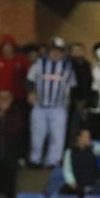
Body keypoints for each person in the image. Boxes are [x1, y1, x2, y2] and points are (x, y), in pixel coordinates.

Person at [27, 41, 75, 169]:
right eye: (54, 49)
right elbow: (30, 79)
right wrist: (31, 92)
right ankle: (35, 160)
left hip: (58, 108)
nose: (56, 52)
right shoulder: (39, 63)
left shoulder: (67, 66)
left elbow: (73, 85)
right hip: (40, 106)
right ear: (49, 50)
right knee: (37, 134)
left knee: (57, 136)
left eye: (59, 50)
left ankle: (53, 161)